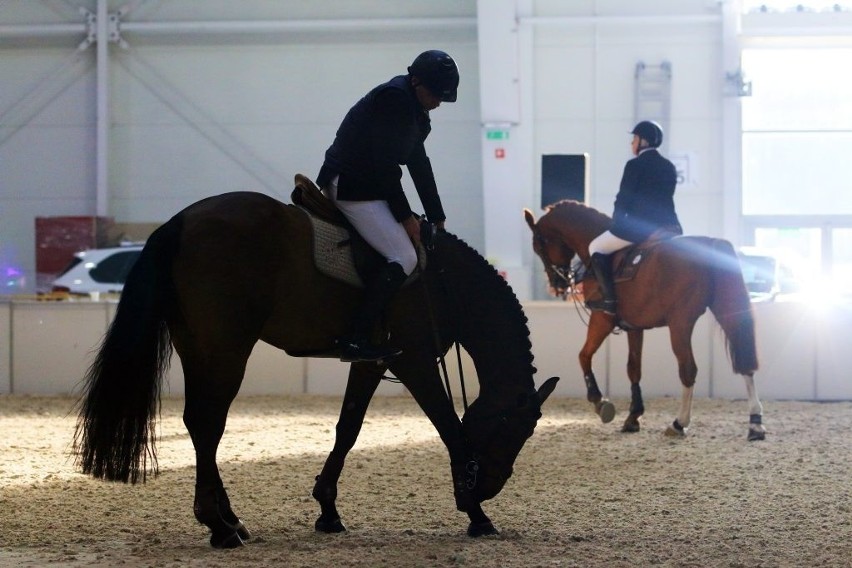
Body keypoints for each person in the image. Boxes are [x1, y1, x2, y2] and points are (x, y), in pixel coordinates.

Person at [316, 49, 459, 363]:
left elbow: (419, 163)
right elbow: (386, 168)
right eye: (435, 94)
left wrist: (437, 217)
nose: (438, 101)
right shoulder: (394, 101)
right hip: (352, 185)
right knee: (404, 255)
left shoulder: (414, 108)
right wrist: (406, 218)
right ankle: (355, 338)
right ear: (416, 80)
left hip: (371, 186)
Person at [585, 120, 682, 315]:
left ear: (643, 141)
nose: (632, 143)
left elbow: (624, 198)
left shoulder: (634, 165)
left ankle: (610, 300)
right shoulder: (669, 166)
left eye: (634, 139)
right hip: (670, 226)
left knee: (595, 247)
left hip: (640, 229)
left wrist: (616, 222)